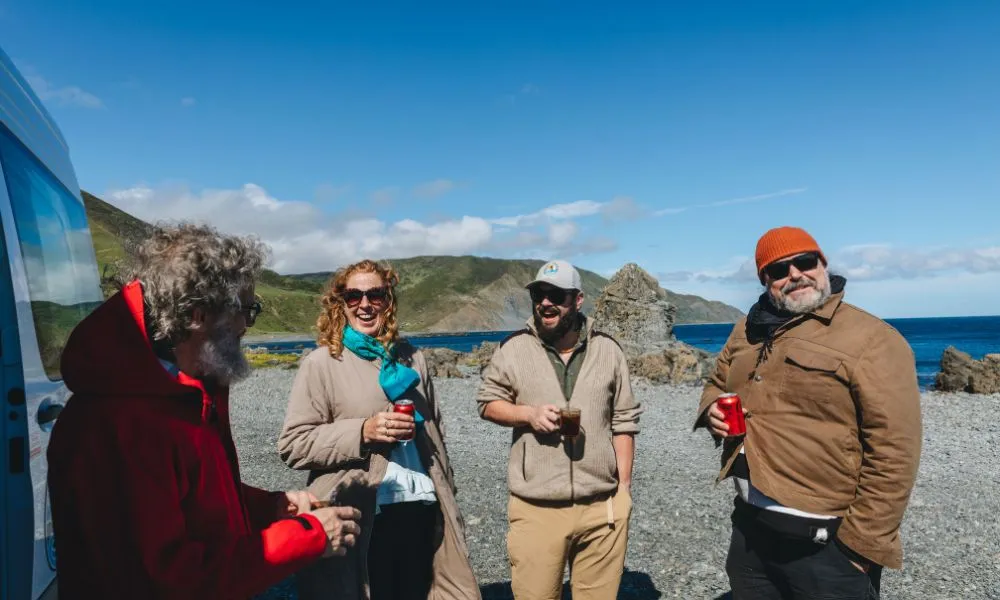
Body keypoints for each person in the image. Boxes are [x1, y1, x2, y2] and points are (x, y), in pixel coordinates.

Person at [46, 223, 361, 599]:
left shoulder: (176, 393)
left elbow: (191, 502)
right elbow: (169, 580)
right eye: (245, 310)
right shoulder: (125, 421)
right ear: (198, 315)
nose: (246, 325)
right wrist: (306, 538)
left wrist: (269, 508)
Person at [694, 226, 922, 600]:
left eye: (804, 262)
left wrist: (860, 546)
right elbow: (717, 382)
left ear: (822, 264)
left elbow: (895, 451)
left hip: (826, 541)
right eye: (778, 269)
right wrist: (711, 409)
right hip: (750, 527)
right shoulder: (746, 329)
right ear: (765, 279)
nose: (795, 274)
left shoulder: (873, 338)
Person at [278, 259, 479, 600]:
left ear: (389, 301)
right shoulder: (322, 363)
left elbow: (436, 432)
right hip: (362, 513)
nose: (365, 304)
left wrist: (448, 491)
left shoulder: (412, 358)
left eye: (376, 295)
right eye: (353, 296)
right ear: (341, 303)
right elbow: (293, 444)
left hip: (421, 505)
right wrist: (362, 432)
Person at [477, 259, 640, 600]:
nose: (546, 302)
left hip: (602, 508)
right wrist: (527, 414)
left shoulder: (608, 350)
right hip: (536, 508)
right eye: (539, 294)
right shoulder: (513, 348)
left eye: (556, 295)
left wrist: (623, 491)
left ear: (577, 300)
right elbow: (487, 403)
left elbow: (624, 421)